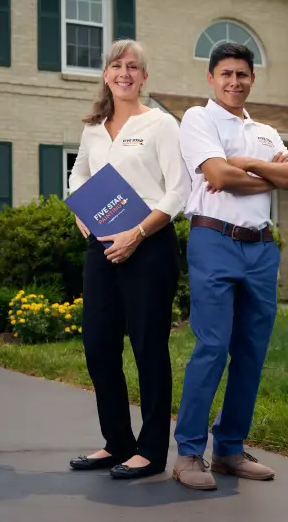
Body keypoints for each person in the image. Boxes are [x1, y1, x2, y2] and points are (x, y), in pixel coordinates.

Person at [172, 42, 288, 491]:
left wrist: (247, 162)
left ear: (252, 79)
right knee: (212, 347)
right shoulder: (199, 118)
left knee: (251, 351)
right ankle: (190, 453)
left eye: (242, 74)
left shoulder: (266, 132)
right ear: (211, 78)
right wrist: (267, 176)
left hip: (262, 248)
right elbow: (217, 176)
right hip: (214, 240)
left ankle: (229, 448)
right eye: (226, 74)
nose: (234, 82)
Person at [67, 39, 189, 480]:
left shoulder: (160, 125)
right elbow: (78, 173)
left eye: (133, 67)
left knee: (147, 348)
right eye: (117, 66)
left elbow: (178, 190)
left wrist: (137, 233)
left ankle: (152, 450)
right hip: (101, 248)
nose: (124, 73)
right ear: (106, 75)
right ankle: (117, 441)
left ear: (143, 77)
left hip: (150, 248)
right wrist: (81, 208)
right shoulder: (94, 128)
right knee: (99, 346)